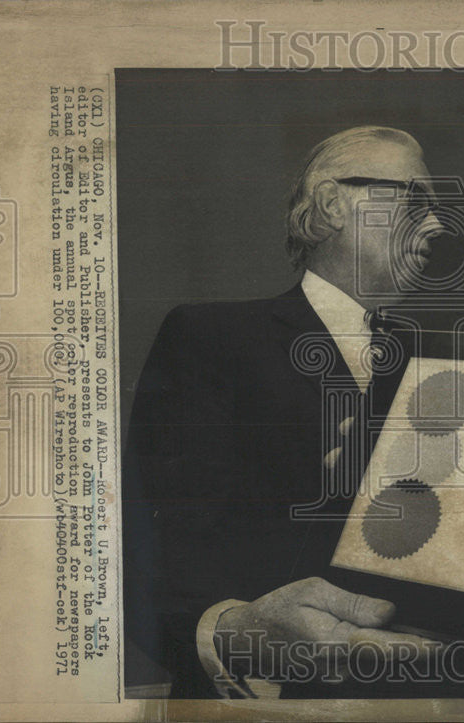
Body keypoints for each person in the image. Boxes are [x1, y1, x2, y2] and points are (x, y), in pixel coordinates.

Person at [122, 126, 446, 698]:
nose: (439, 226)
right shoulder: (209, 338)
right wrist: (237, 634)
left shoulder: (440, 367)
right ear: (330, 205)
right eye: (415, 198)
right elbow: (146, 557)